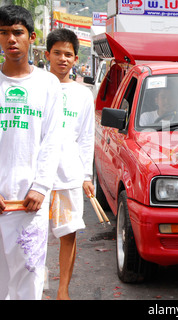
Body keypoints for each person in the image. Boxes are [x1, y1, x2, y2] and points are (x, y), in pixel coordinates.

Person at [0, 5, 63, 300]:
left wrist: (40, 187)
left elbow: (53, 140)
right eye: (3, 33)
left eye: (17, 32)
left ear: (31, 37)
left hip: (30, 202)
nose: (11, 39)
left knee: (30, 275)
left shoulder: (48, 84)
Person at [45, 28, 95, 300]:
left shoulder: (82, 94)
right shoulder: (37, 86)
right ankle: (35, 282)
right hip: (37, 179)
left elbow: (86, 138)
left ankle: (63, 290)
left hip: (69, 175)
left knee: (68, 234)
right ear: (46, 55)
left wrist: (86, 175)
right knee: (33, 236)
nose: (62, 59)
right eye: (57, 53)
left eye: (68, 54)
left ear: (76, 59)